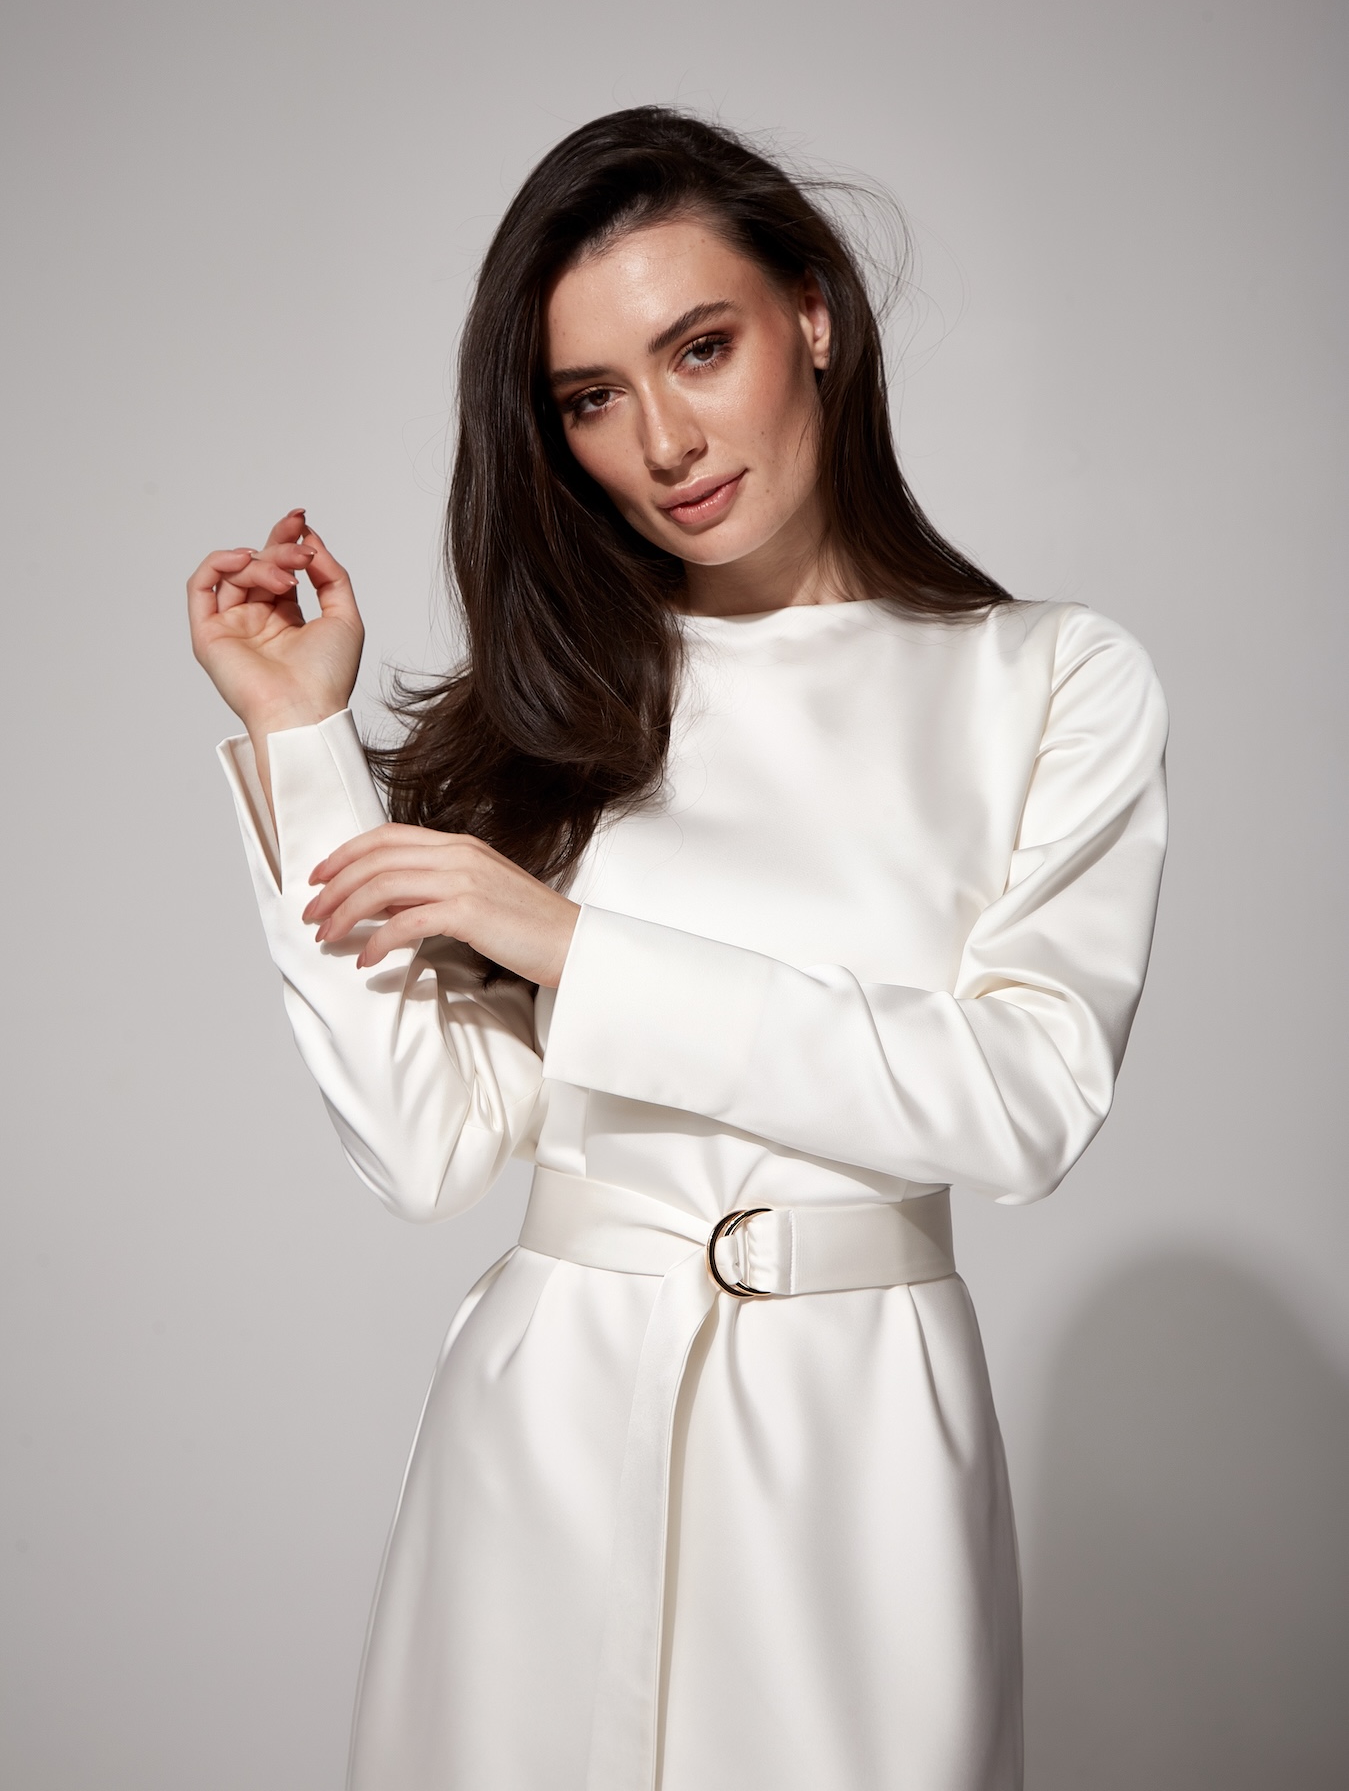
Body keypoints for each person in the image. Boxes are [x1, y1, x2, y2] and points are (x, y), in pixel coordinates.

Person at [187, 107, 1167, 1791]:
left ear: (812, 315)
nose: (663, 440)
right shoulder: (553, 708)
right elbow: (427, 1151)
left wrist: (575, 945)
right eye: (591, 398)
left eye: (698, 348)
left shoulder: (1050, 682)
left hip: (854, 1442)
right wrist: (301, 742)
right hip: (542, 1426)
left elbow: (1024, 1100)